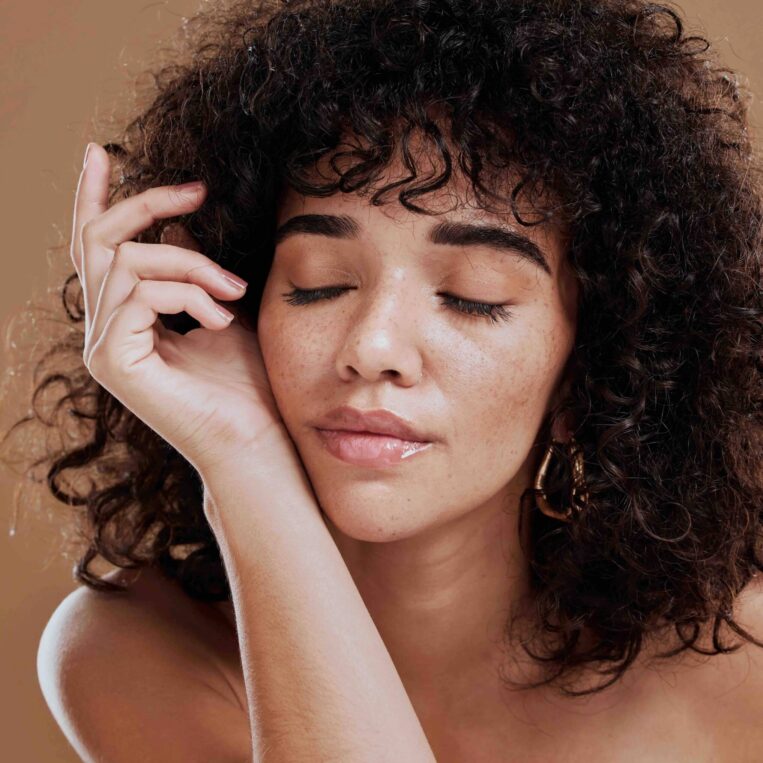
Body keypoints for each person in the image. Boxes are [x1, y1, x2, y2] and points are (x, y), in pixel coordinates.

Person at [2, 0, 760, 759]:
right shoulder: (133, 649)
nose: (372, 346)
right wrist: (241, 459)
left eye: (472, 295)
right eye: (318, 282)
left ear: (592, 372)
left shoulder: (741, 672)